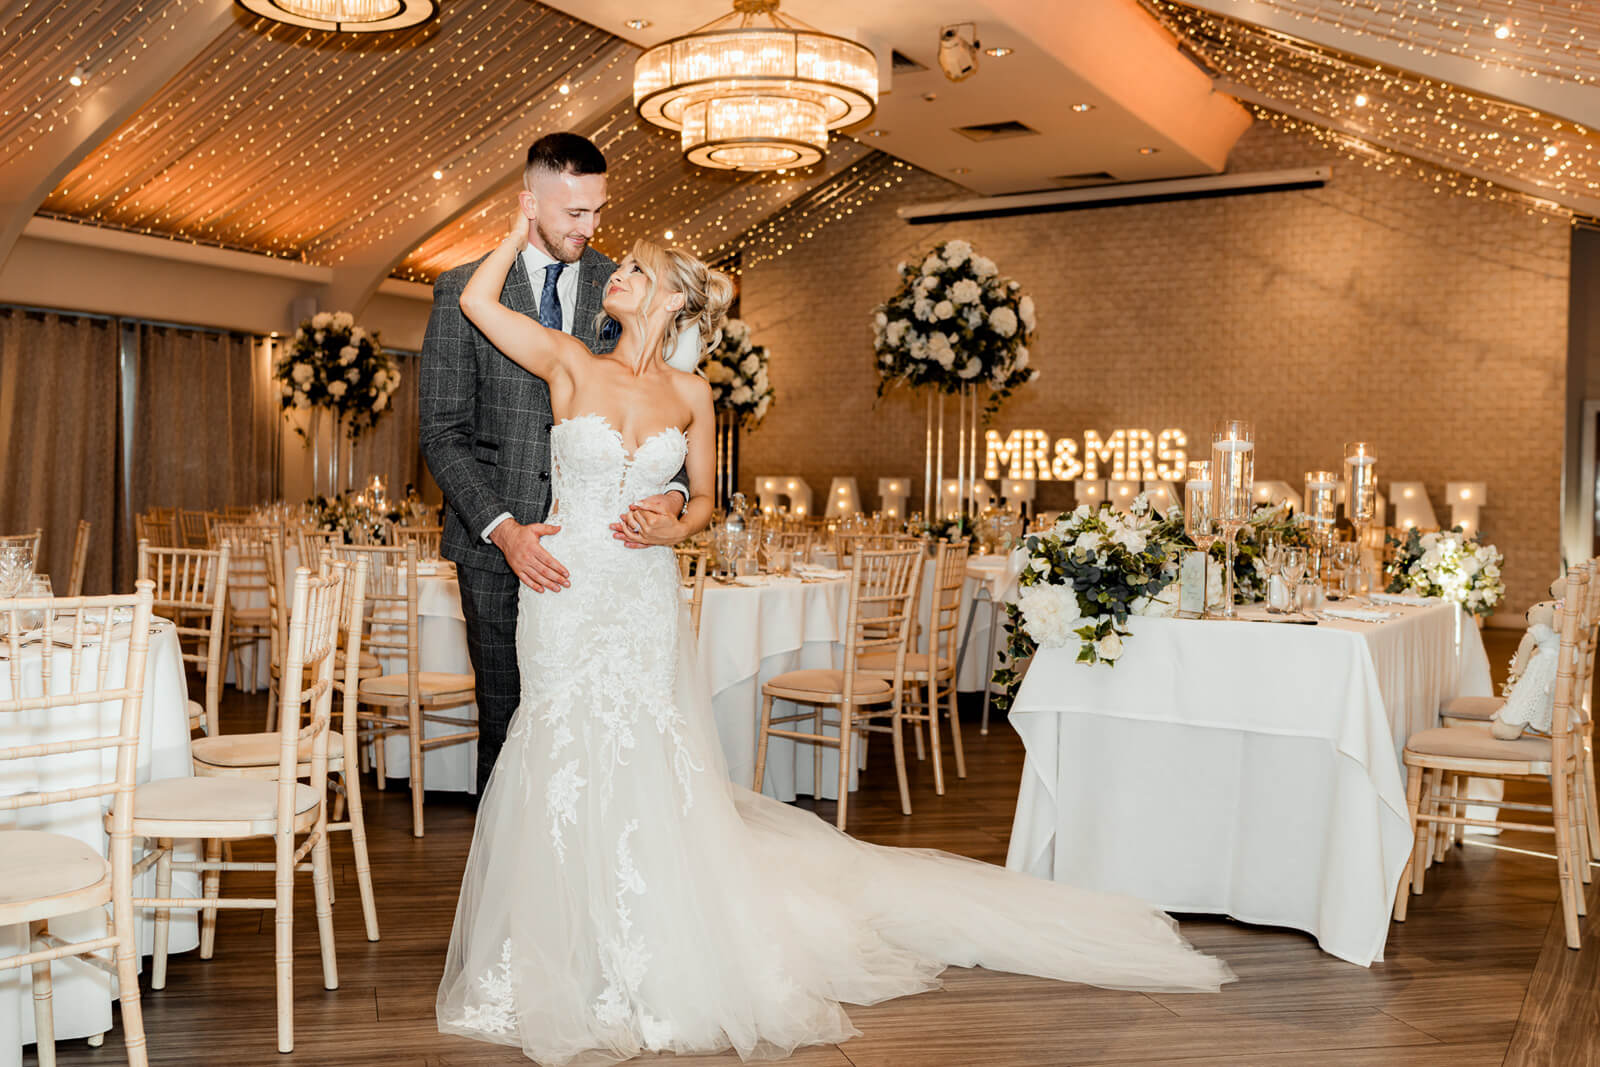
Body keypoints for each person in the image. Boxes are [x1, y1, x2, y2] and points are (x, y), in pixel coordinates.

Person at [433, 219, 1233, 1066]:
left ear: (668, 297)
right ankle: (561, 953)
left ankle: (648, 948)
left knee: (643, 755)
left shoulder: (693, 393)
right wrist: (521, 225)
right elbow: (478, 299)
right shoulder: (568, 360)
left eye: (633, 269)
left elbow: (706, 500)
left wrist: (673, 526)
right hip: (567, 590)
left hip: (641, 593)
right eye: (619, 267)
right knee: (559, 749)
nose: (613, 275)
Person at [420, 133, 687, 799]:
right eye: (574, 213)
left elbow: (670, 409)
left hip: (605, 558)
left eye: (598, 210)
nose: (589, 228)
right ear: (529, 203)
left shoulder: (623, 285)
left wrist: (675, 494)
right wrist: (505, 529)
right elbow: (441, 433)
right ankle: (511, 893)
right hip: (494, 547)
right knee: (510, 726)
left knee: (606, 729)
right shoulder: (462, 289)